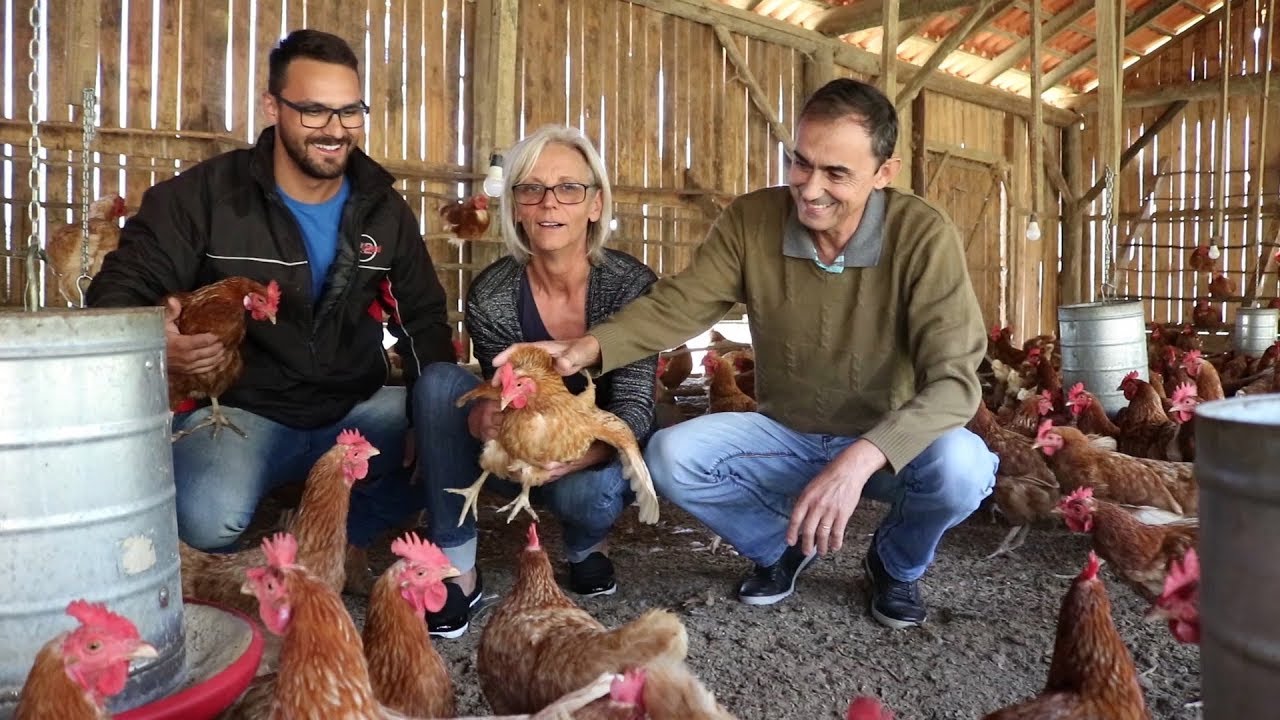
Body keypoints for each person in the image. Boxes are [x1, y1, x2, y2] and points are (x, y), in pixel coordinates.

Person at [492, 79, 998, 630]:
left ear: (884, 173)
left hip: (885, 439)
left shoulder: (923, 235)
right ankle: (781, 547)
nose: (809, 189)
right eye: (801, 164)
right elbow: (682, 304)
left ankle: (896, 564)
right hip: (787, 433)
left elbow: (955, 381)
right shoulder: (754, 220)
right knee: (670, 457)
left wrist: (862, 459)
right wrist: (587, 347)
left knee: (963, 468)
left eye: (836, 173)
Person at [87, 30, 455, 566]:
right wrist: (156, 340)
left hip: (353, 406)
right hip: (241, 412)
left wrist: (430, 415)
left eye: (350, 111)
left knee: (457, 446)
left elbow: (422, 317)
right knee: (207, 518)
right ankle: (288, 525)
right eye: (313, 111)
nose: (335, 130)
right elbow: (118, 290)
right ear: (272, 107)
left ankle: (327, 535)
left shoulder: (383, 209)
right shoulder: (205, 198)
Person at [413, 124, 658, 638]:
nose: (549, 203)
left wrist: (584, 454)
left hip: (589, 452)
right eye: (531, 188)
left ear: (594, 204)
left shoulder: (631, 285)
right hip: (518, 449)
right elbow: (499, 388)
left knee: (587, 498)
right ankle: (457, 566)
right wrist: (487, 414)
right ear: (517, 207)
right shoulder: (493, 293)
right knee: (438, 383)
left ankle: (586, 544)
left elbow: (635, 403)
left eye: (569, 188)